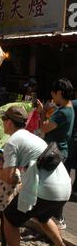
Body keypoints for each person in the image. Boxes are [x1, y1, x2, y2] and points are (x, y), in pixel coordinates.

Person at [0, 106, 74, 246]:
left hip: (46, 189)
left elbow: (10, 178)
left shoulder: (12, 142)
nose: (3, 123)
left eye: (3, 120)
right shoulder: (32, 137)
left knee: (9, 218)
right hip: (64, 188)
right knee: (42, 216)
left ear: (9, 122)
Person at [37, 78, 75, 229]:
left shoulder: (63, 112)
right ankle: (54, 218)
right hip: (59, 150)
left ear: (59, 92)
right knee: (50, 186)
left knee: (47, 186)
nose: (52, 97)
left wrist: (44, 111)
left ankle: (56, 219)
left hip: (55, 152)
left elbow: (44, 128)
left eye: (53, 93)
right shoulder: (68, 107)